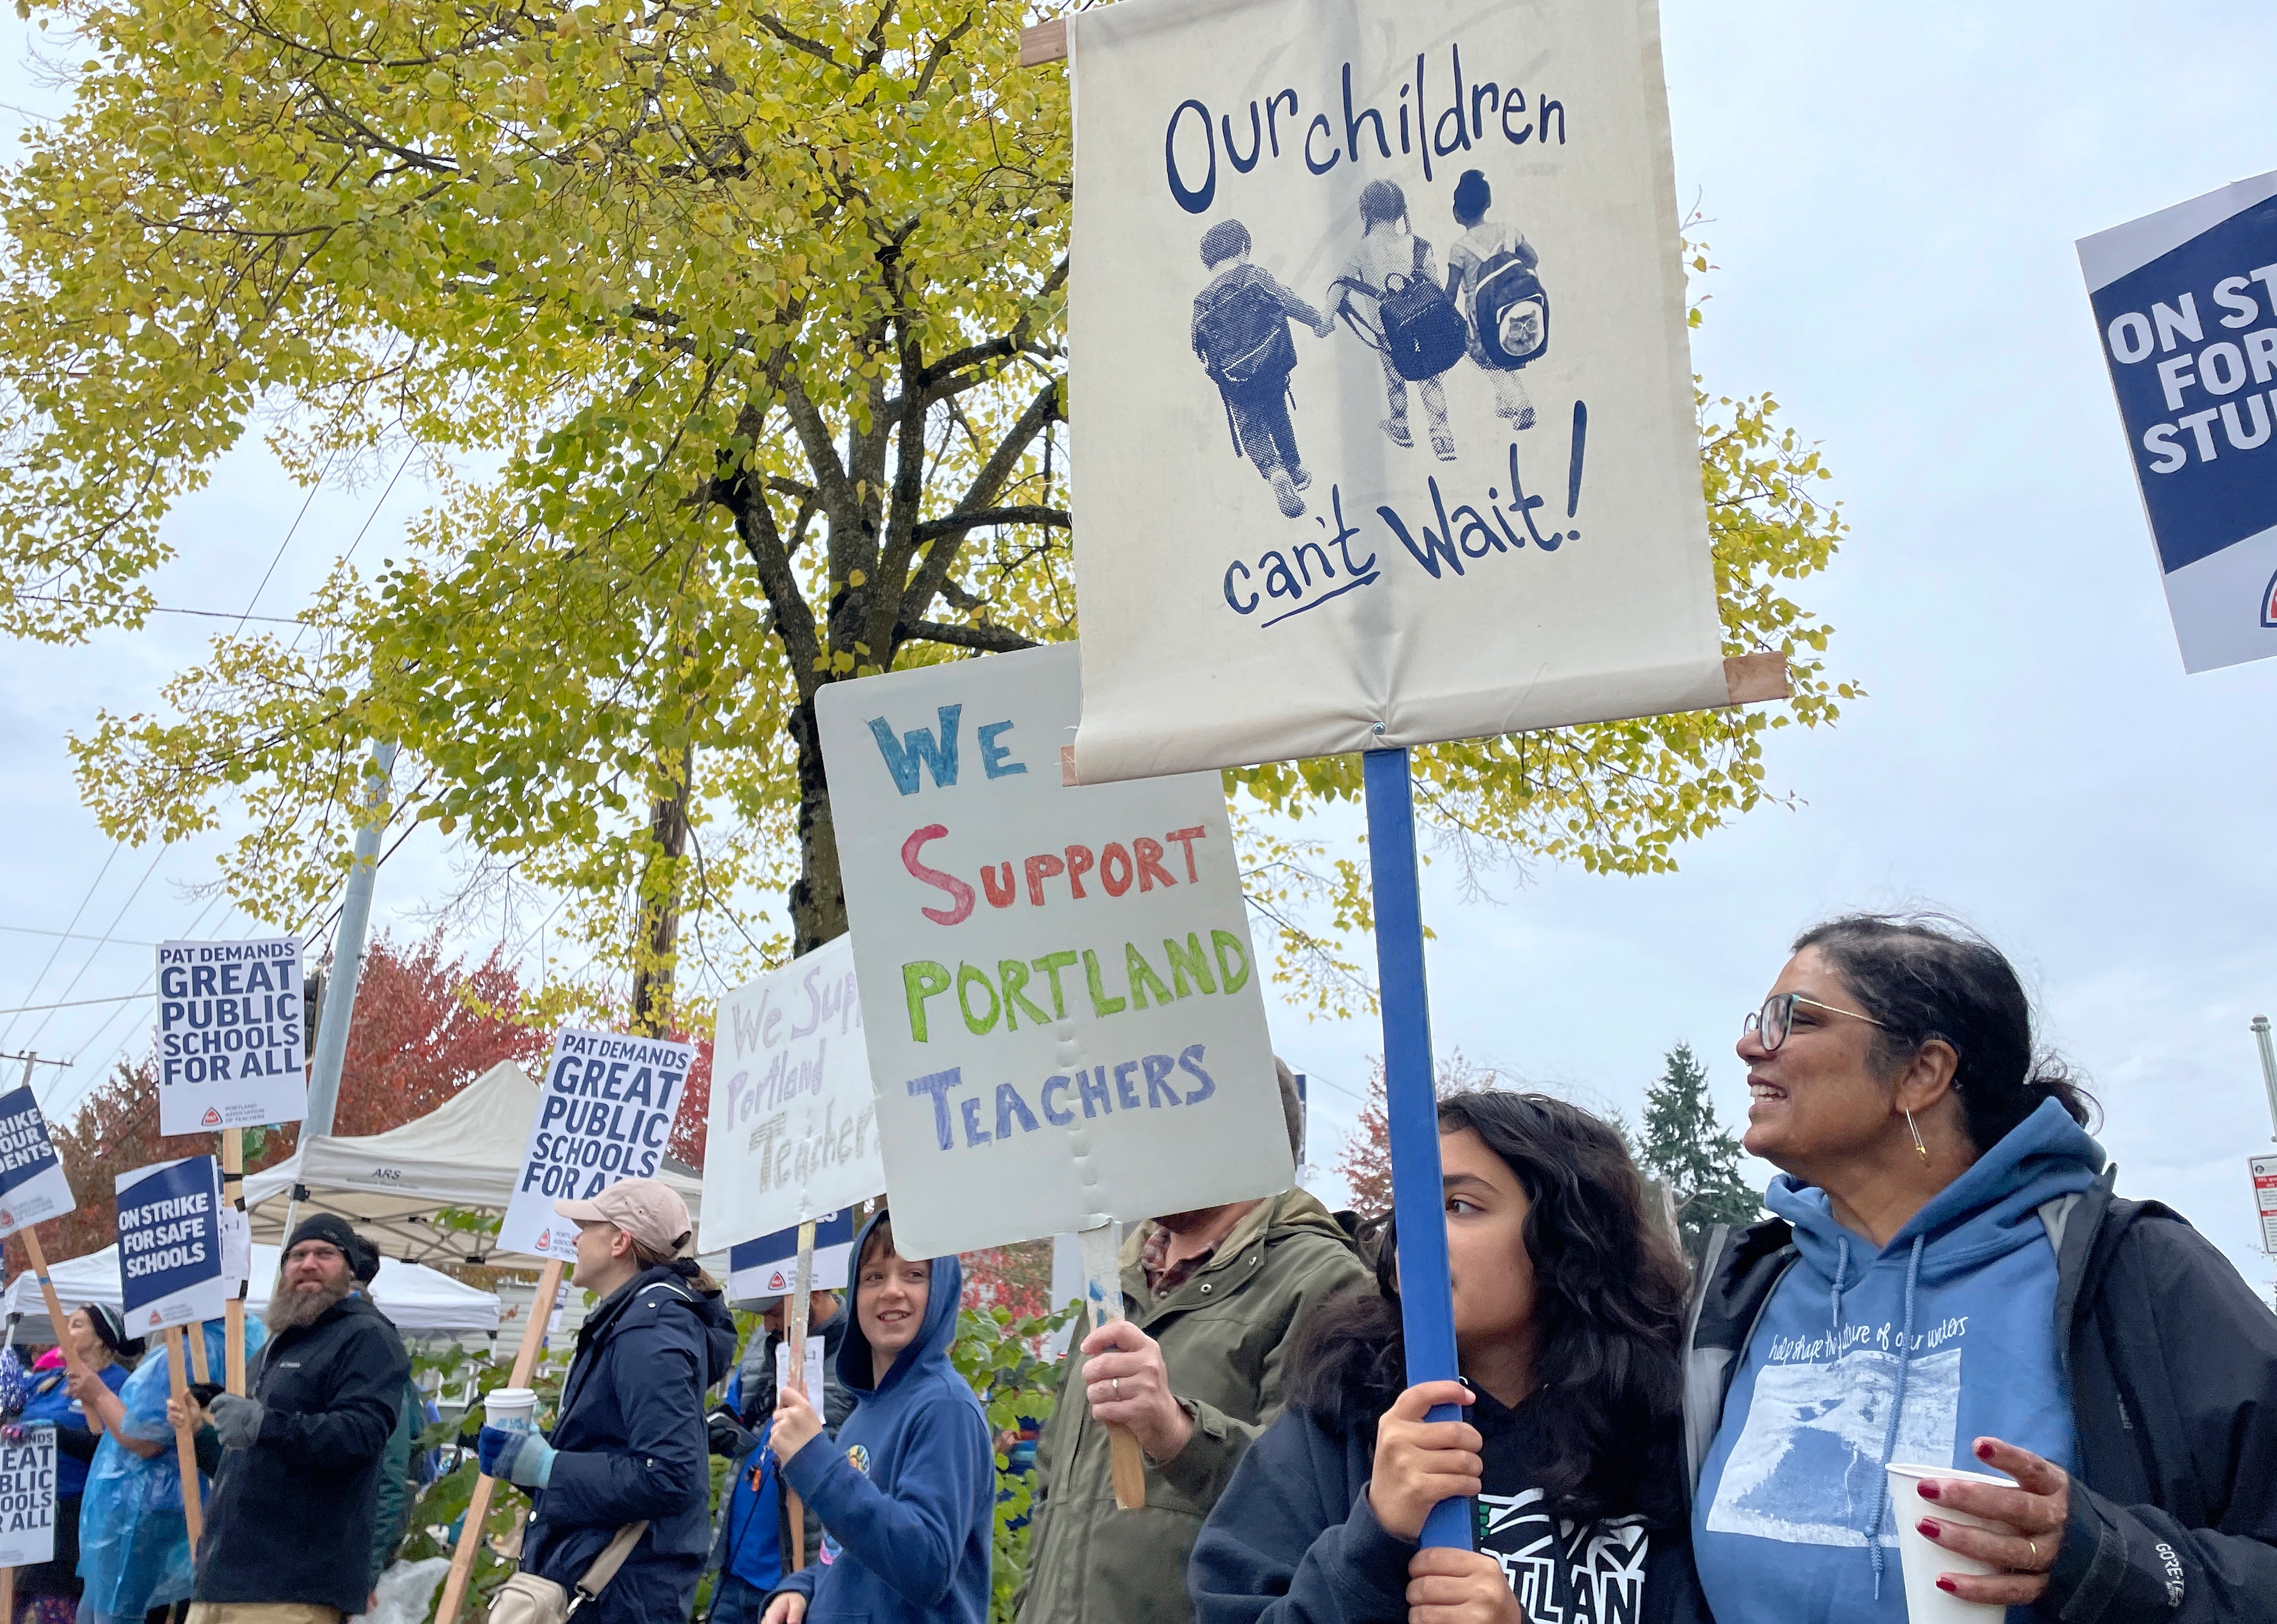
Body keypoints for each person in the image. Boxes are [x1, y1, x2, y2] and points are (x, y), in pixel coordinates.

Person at [1688, 913, 2277, 1622]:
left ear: (1921, 1073)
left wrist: (2112, 1560)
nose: (1750, 1045)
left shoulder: (2133, 1271)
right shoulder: (1740, 1296)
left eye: (1796, 1019)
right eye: (1762, 1019)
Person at [1189, 1092, 1705, 1623]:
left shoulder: (1668, 1435)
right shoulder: (1337, 1423)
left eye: (1460, 1206)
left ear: (1567, 1239)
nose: (1415, 1234)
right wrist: (1375, 1541)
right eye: (1407, 1206)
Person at [1015, 1061, 1369, 1624]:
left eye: (1161, 1116)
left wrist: (1178, 1434)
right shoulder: (1114, 1284)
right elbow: (1053, 1488)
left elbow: (1312, 1509)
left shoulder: (1324, 1282)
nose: (1132, 1141)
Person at [478, 1179, 736, 1624]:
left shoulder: (649, 1330)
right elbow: (615, 1451)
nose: (576, 1238)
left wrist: (548, 1467)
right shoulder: (637, 1321)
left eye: (586, 1226)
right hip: (610, 1584)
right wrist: (531, 1464)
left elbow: (669, 1475)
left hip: (617, 1592)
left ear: (620, 1241)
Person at [760, 1211, 992, 1624]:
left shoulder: (944, 1407)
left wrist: (816, 1462)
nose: (892, 1291)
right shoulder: (862, 1414)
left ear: (942, 1292)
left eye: (914, 1275)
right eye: (873, 1277)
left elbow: (925, 1566)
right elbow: (852, 1556)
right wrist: (804, 1588)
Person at [185, 1213, 411, 1624]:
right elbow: (244, 1461)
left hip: (291, 1587)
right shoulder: (275, 1346)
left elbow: (361, 1434)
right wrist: (204, 1426)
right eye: (298, 1255)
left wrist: (264, 1424)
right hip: (223, 1579)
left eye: (325, 1254)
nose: (308, 1264)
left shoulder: (366, 1337)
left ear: (350, 1269)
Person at [74, 1318, 241, 1624]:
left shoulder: (188, 1352)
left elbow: (145, 1440)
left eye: (77, 1324)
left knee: (117, 1611)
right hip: (156, 1503)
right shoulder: (218, 1344)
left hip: (145, 1506)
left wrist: (99, 1394)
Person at [706, 1289, 855, 1622]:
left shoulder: (857, 1355)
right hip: (737, 1569)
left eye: (774, 1311)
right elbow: (740, 1410)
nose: (766, 1323)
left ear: (811, 1294)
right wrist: (723, 1427)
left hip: (796, 1579)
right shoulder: (766, 1339)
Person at [1190, 219, 1334, 518]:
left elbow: (1197, 344)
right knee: (1277, 413)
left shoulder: (1202, 300)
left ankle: (1274, 472)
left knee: (1251, 429)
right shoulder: (1254, 276)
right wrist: (1318, 321)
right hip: (1270, 364)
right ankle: (1294, 467)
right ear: (1242, 248)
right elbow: (1287, 300)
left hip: (1233, 377)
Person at [12, 1306, 138, 1624]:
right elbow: (13, 1412)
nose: (66, 1330)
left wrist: (56, 1434)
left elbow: (114, 1445)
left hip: (79, 1514)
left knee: (56, 1607)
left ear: (101, 1340)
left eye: (77, 1325)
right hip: (31, 1507)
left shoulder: (117, 1383)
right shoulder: (50, 1380)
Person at [1332, 179, 1459, 460]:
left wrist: (1327, 319)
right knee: (1431, 378)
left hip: (1386, 331)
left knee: (1395, 376)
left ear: (1366, 212)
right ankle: (1442, 438)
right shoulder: (1419, 244)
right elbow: (1436, 288)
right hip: (1424, 327)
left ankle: (1401, 425)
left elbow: (1340, 285)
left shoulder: (1362, 250)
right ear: (1401, 210)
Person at [1442, 169, 1542, 430]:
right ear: (1488, 203)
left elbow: (1451, 292)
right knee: (1503, 352)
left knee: (1481, 354)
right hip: (1514, 308)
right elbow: (1533, 259)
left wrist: (1441, 314)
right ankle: (1506, 402)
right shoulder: (1508, 230)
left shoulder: (1460, 248)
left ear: (1457, 213)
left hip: (1482, 315)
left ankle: (1520, 405)